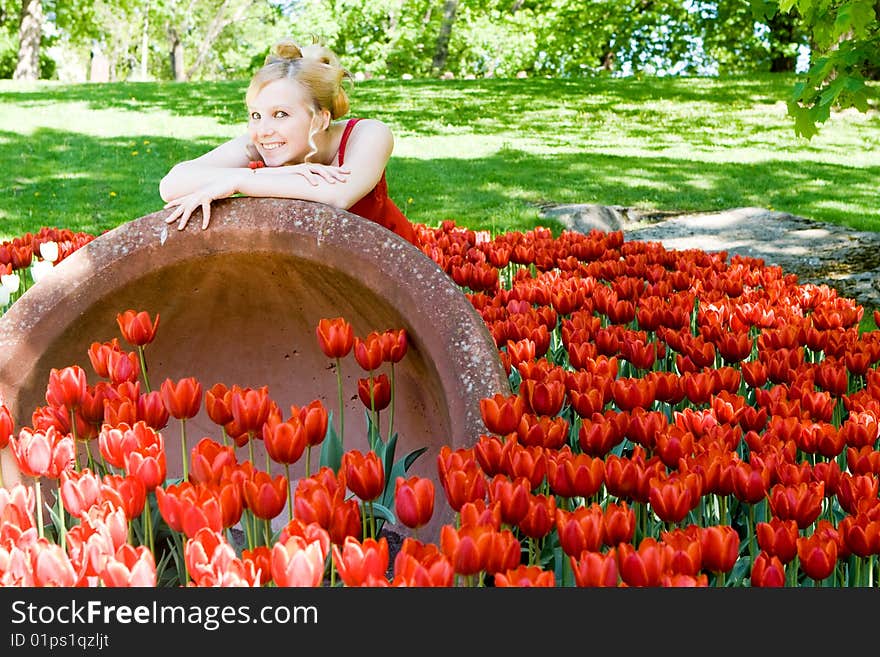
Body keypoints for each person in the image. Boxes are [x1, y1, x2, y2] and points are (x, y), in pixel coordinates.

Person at [159, 39, 418, 245]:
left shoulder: (369, 133)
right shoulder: (259, 143)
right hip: (317, 276)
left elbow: (339, 194)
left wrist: (237, 181)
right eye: (255, 115)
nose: (263, 130)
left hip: (396, 281)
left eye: (280, 114)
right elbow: (171, 184)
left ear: (320, 118)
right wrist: (264, 173)